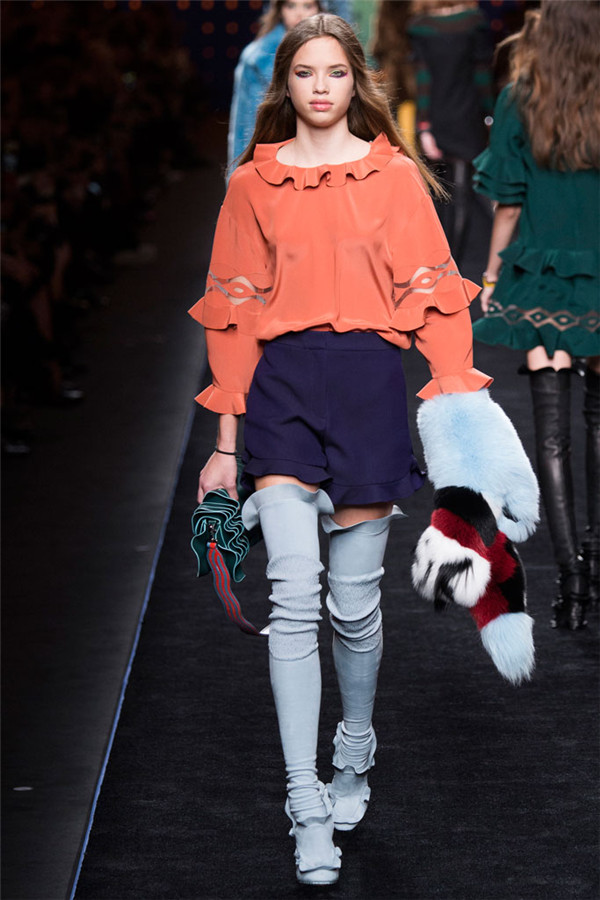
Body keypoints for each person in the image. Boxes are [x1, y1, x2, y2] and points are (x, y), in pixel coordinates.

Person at [191, 13, 538, 886]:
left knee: (353, 608)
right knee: (293, 598)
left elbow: (436, 296)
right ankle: (304, 801)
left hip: (369, 389)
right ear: (286, 83)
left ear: (356, 81)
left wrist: (459, 406)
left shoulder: (393, 178)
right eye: (305, 73)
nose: (320, 87)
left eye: (335, 73)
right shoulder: (253, 183)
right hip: (281, 392)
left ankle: (354, 744)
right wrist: (225, 446)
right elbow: (231, 312)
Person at [473, 0, 600, 631]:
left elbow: (509, 205)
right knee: (599, 421)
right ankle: (595, 563)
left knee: (551, 433)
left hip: (543, 278)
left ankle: (573, 587)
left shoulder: (521, 99)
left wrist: (492, 277)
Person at [406, 0, 494, 265]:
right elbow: (482, 76)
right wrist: (491, 116)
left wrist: (424, 127)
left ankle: (443, 258)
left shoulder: (420, 28)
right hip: (468, 116)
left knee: (441, 191)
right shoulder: (474, 23)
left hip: (438, 118)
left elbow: (423, 81)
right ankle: (464, 260)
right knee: (467, 189)